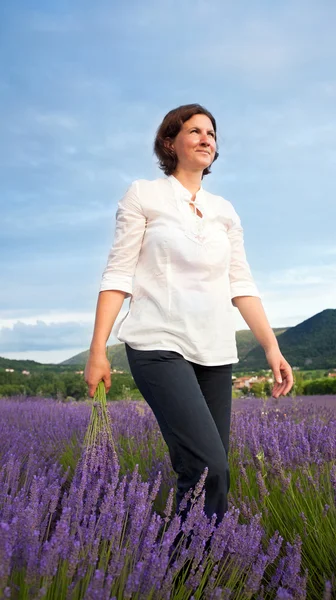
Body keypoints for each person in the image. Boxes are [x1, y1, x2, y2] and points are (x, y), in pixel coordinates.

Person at [84, 103, 293, 530]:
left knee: (206, 475)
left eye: (211, 134)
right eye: (194, 131)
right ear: (169, 142)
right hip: (158, 344)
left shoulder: (225, 211)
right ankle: (184, 567)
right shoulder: (144, 194)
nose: (205, 139)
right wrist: (98, 350)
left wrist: (272, 347)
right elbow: (118, 274)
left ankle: (191, 566)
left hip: (216, 351)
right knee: (209, 467)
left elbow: (242, 284)